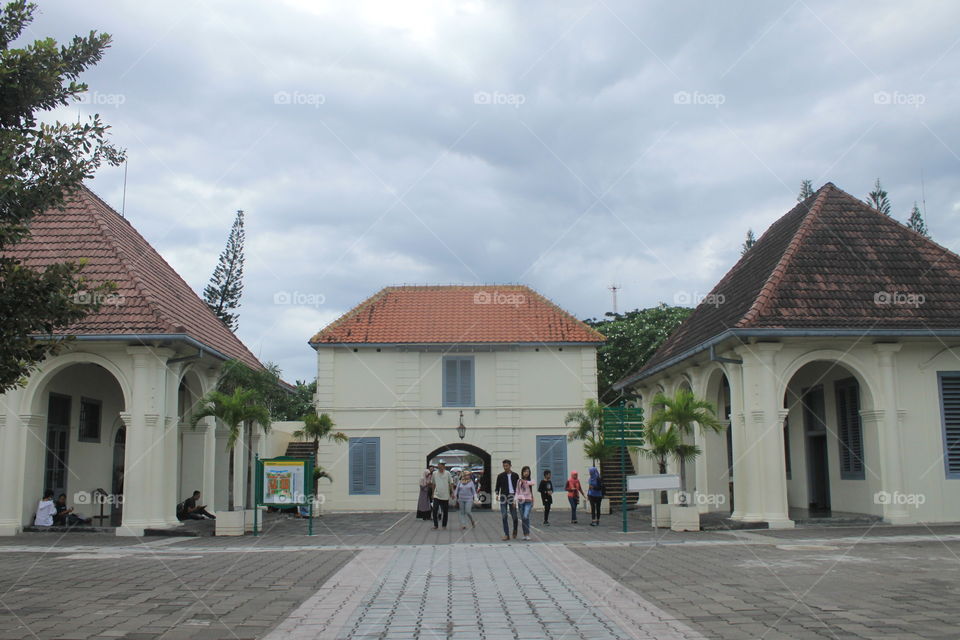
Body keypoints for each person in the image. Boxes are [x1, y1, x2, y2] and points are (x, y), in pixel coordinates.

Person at [494, 459, 520, 541]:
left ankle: (515, 530)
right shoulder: (500, 476)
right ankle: (506, 534)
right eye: (504, 466)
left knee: (514, 516)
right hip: (503, 496)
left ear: (510, 466)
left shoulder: (515, 475)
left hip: (512, 496)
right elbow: (497, 487)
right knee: (504, 515)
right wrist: (497, 494)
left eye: (506, 466)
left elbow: (518, 488)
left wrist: (516, 498)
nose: (505, 467)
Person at [430, 461, 454, 530]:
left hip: (445, 495)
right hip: (437, 494)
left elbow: (451, 483)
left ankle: (444, 525)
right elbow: (433, 484)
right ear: (438, 465)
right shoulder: (434, 473)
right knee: (435, 510)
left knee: (445, 511)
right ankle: (435, 525)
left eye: (443, 465)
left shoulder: (447, 473)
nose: (441, 466)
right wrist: (432, 493)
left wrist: (452, 492)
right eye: (440, 465)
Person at [516, 466, 535, 541]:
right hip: (521, 501)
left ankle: (527, 534)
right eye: (524, 471)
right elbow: (517, 491)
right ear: (522, 472)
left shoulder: (530, 480)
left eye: (527, 471)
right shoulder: (519, 481)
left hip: (528, 501)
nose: (526, 473)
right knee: (523, 518)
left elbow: (532, 483)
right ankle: (525, 534)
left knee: (525, 516)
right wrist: (515, 500)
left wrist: (525, 482)